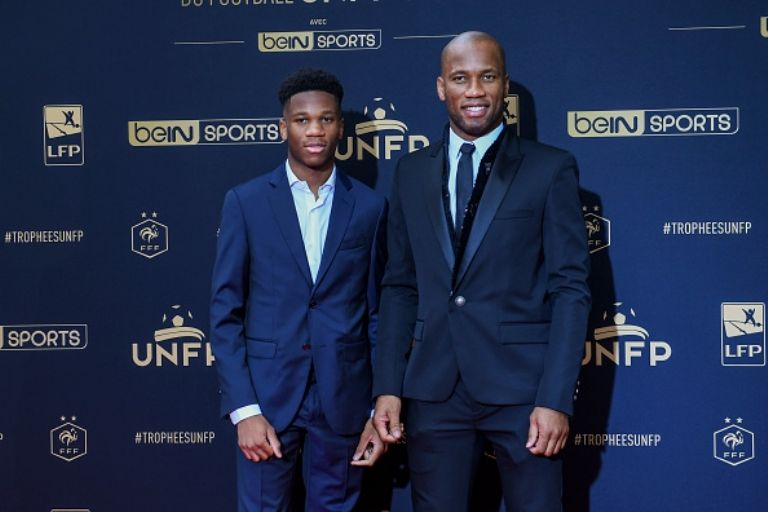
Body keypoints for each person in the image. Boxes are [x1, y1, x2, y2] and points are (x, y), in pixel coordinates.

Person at [372, 32, 591, 511]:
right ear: (441, 87)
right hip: (434, 389)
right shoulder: (410, 172)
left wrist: (555, 398)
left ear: (505, 85)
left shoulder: (550, 169)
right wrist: (387, 387)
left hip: (524, 391)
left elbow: (570, 290)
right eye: (460, 78)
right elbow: (399, 286)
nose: (474, 91)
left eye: (487, 77)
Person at [210, 68, 387, 512]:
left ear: (340, 128)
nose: (315, 131)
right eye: (302, 120)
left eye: (326, 119)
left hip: (343, 400)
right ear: (282, 127)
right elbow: (225, 313)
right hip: (267, 400)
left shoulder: (370, 207)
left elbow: (376, 314)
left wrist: (375, 408)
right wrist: (244, 410)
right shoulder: (246, 202)